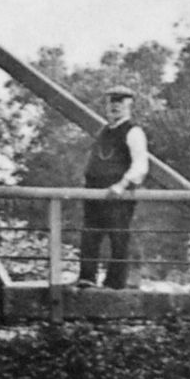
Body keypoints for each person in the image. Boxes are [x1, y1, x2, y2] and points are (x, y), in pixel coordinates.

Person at [78, 86, 149, 289]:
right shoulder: (104, 131)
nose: (115, 106)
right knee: (90, 236)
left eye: (120, 101)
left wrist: (122, 184)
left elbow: (140, 165)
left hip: (119, 194)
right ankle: (87, 280)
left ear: (129, 105)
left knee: (118, 239)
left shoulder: (133, 131)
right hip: (94, 193)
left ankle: (115, 285)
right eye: (111, 101)